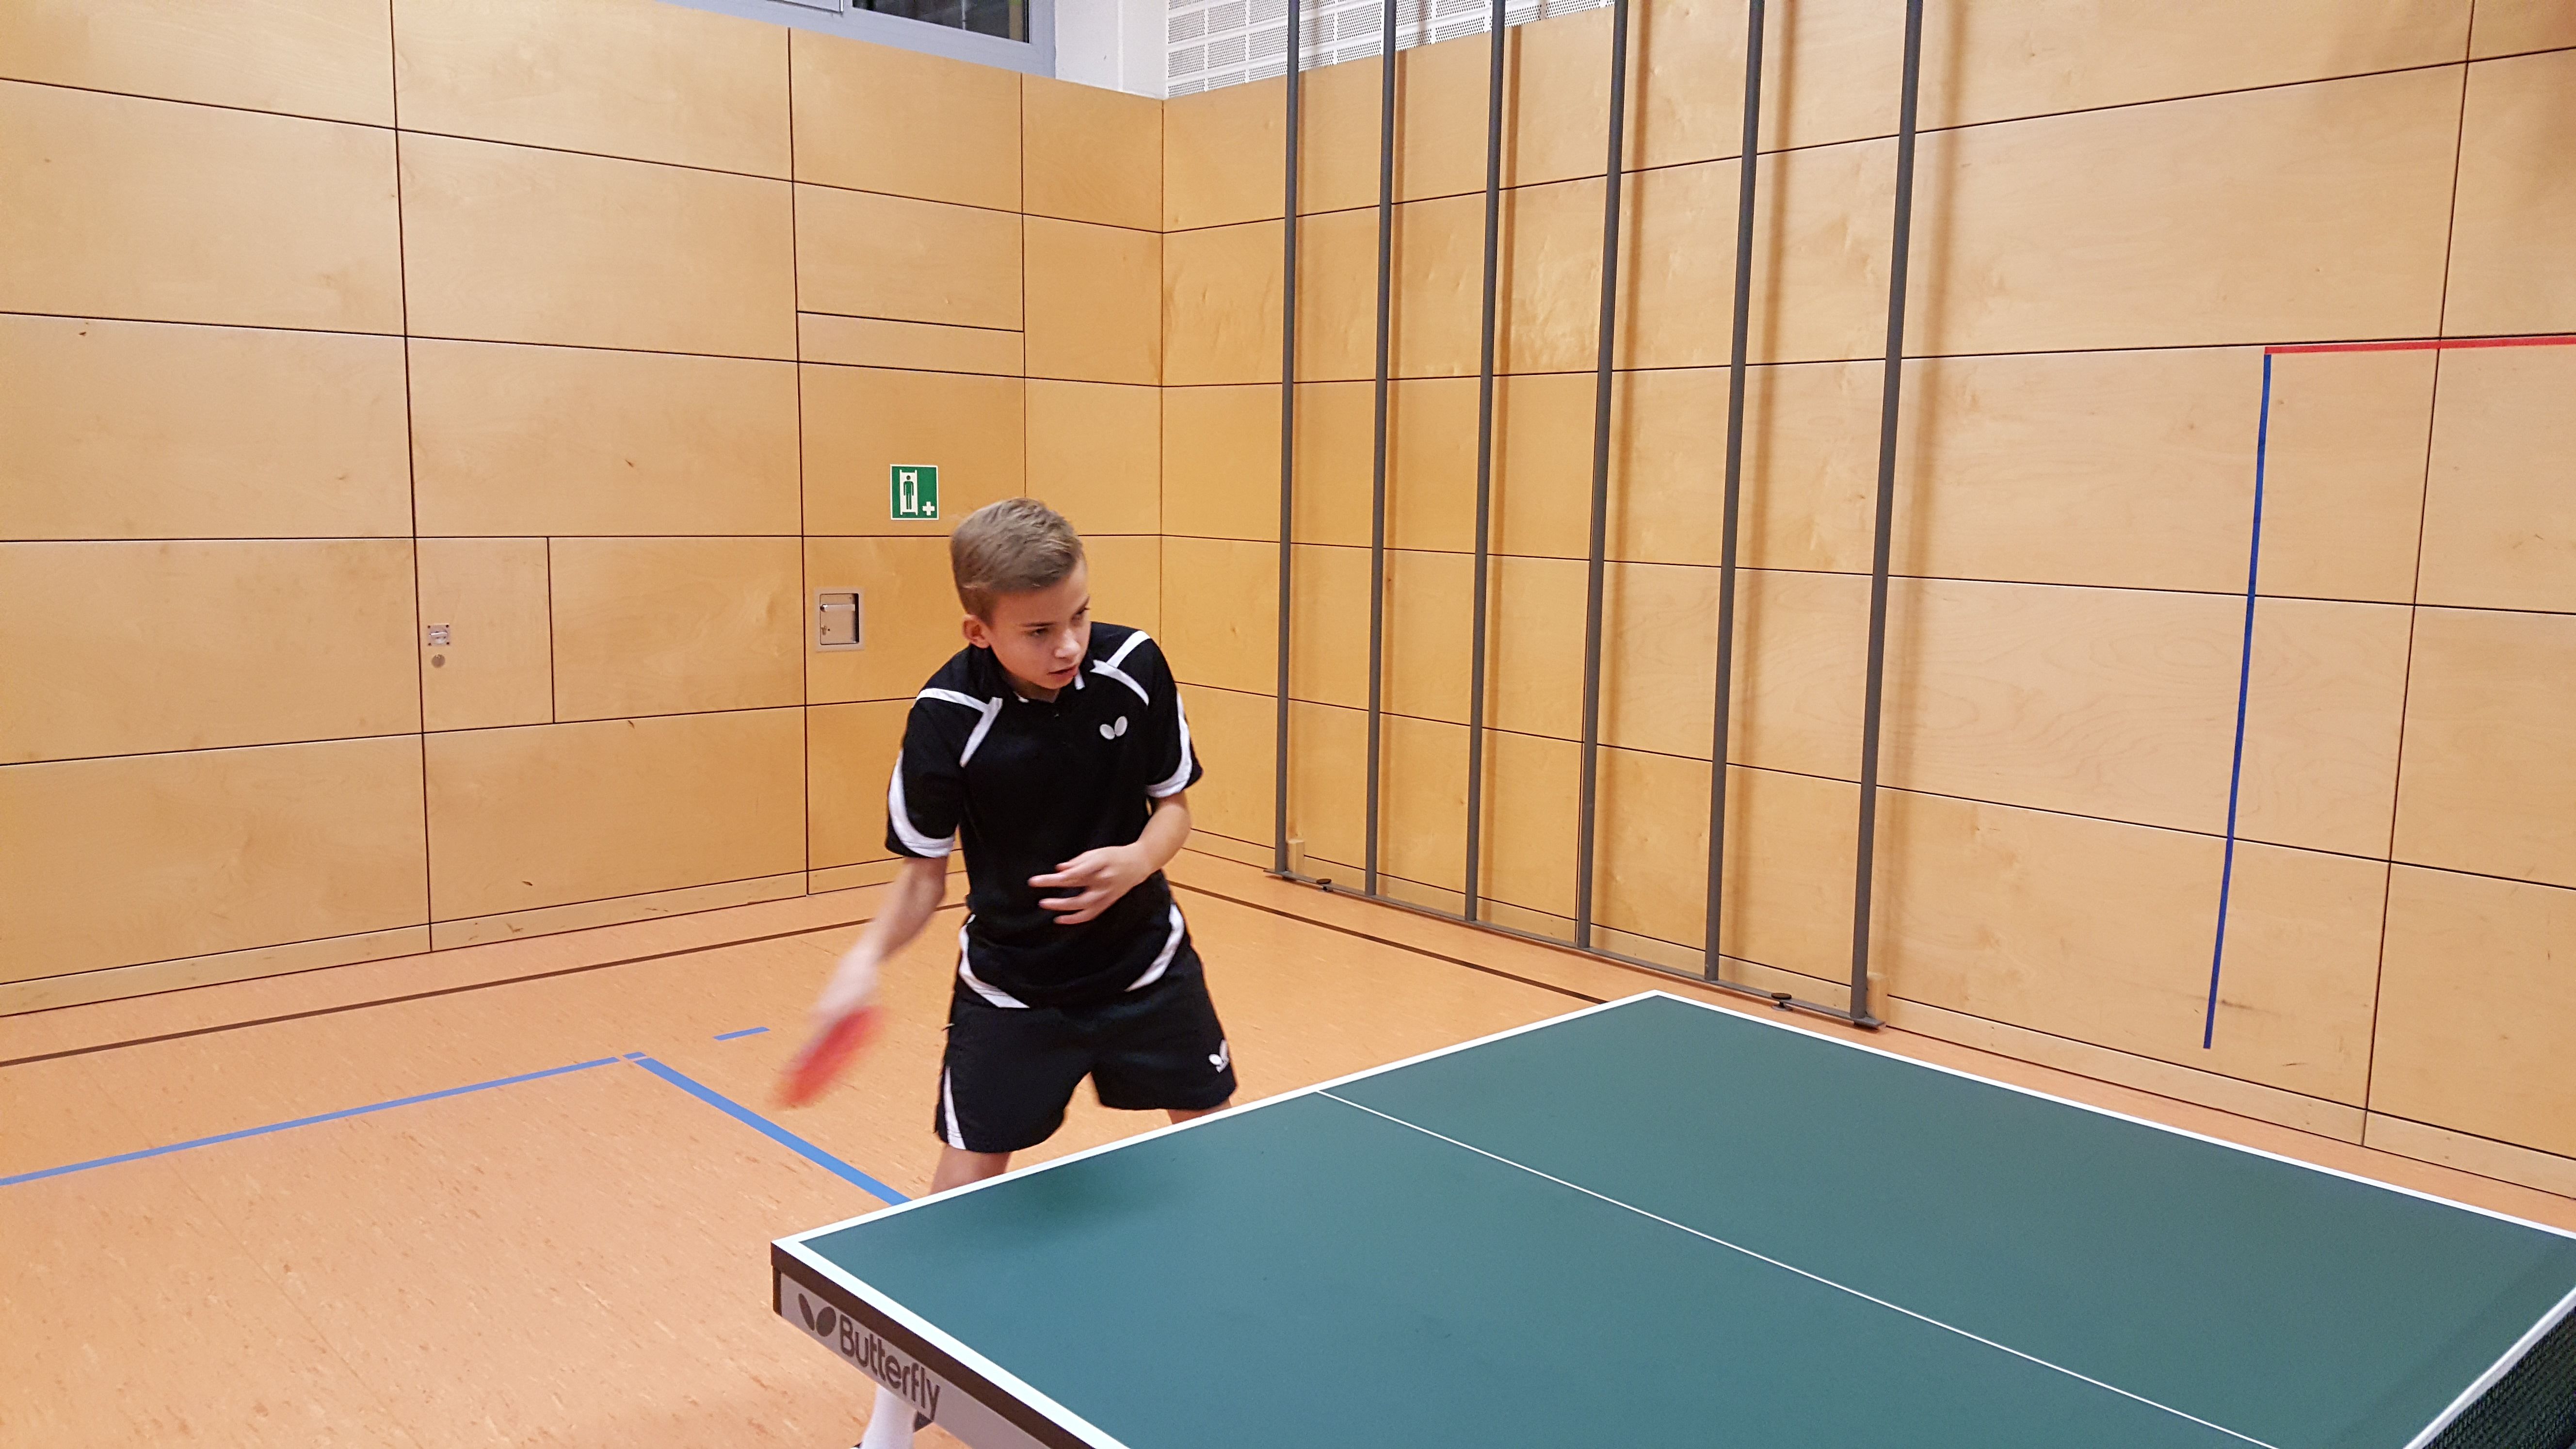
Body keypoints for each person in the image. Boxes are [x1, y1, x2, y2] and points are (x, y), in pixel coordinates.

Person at [803, 498, 1236, 1449]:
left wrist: (1137, 861)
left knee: (1217, 1159)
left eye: (1079, 615)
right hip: (1014, 992)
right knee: (963, 1194)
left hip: (1146, 970)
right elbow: (923, 880)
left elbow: (1174, 808)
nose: (1068, 644)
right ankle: (900, 1393)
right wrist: (862, 960)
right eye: (1039, 630)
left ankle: (1231, 1332)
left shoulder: (1134, 666)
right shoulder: (947, 719)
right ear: (980, 630)